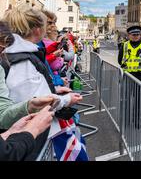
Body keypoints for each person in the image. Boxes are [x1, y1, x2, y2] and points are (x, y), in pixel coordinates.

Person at [3, 8, 83, 158]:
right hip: (31, 140)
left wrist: (54, 89)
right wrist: (67, 100)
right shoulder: (22, 59)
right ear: (37, 29)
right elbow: (33, 103)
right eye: (47, 24)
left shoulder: (20, 53)